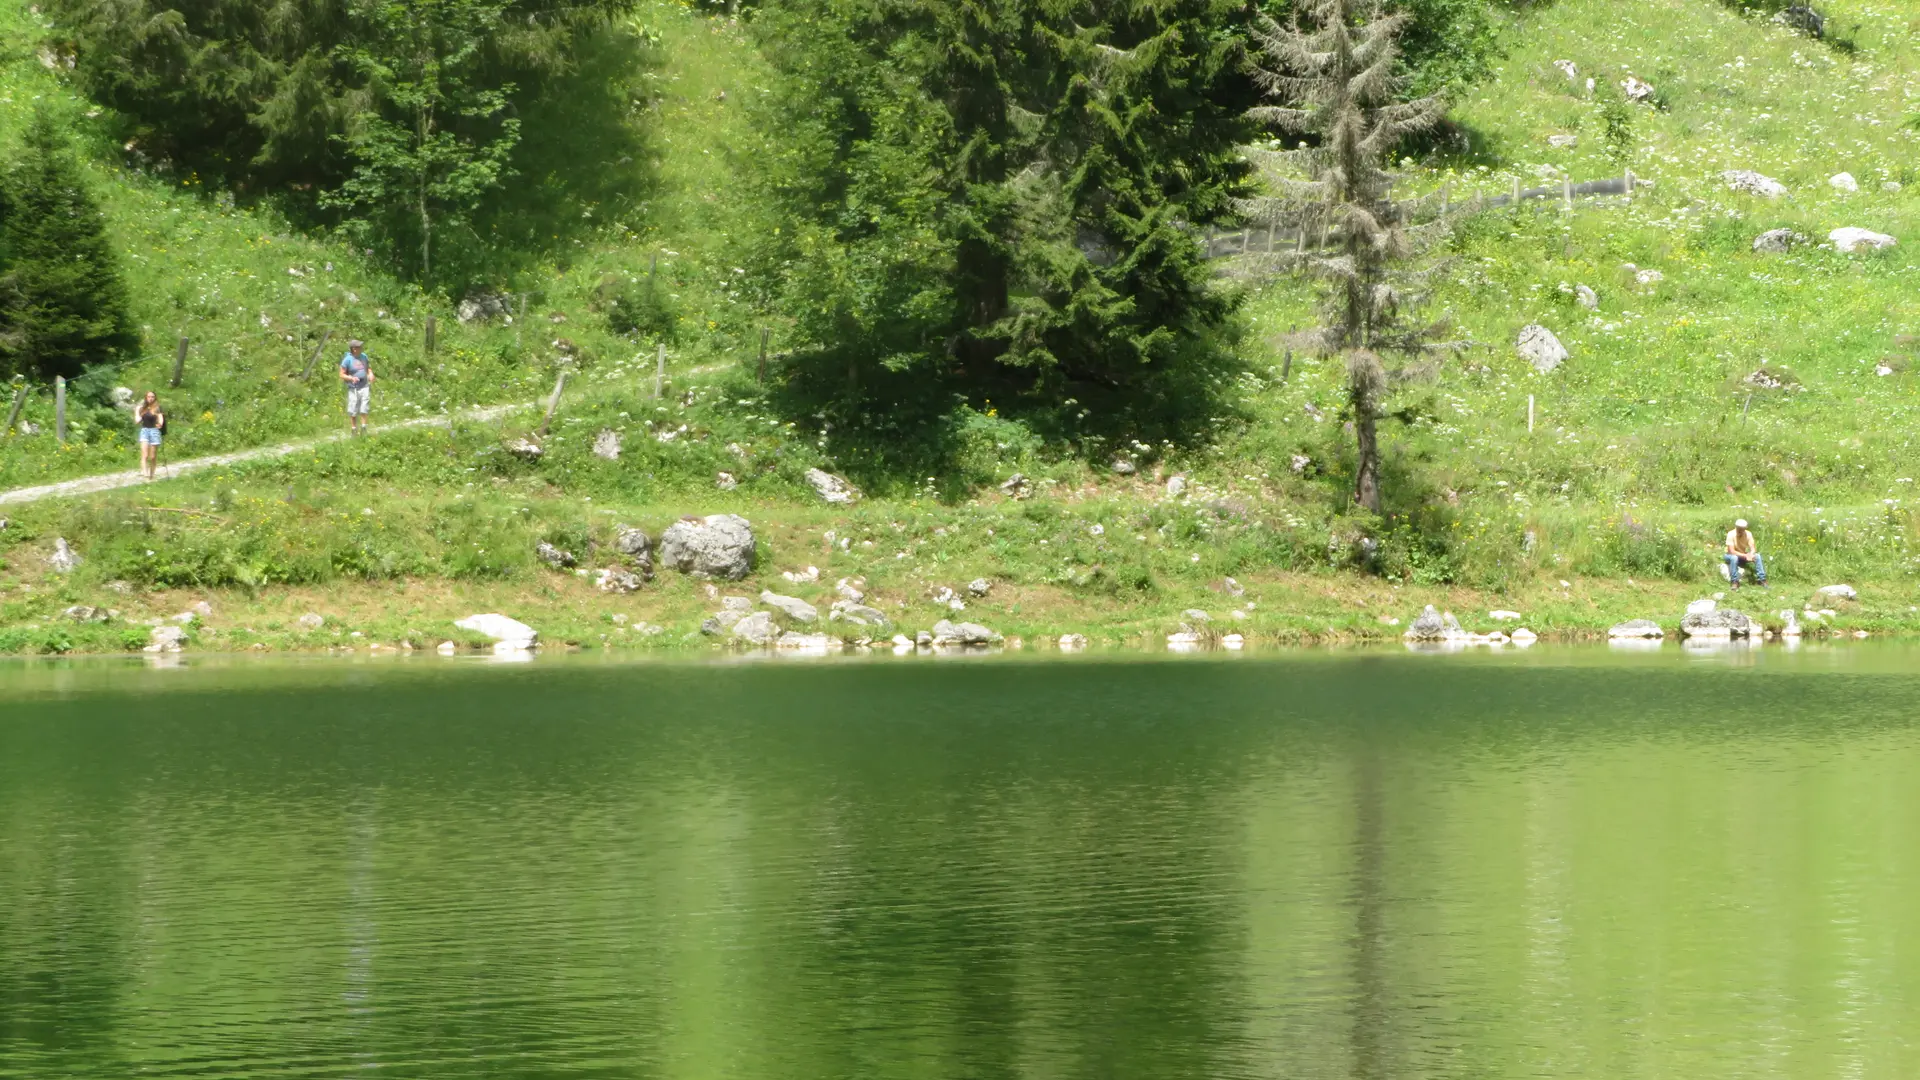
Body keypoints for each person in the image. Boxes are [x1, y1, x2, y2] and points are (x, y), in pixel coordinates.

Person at [339, 339, 375, 436]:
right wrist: (350, 378)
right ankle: (354, 429)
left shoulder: (364, 356)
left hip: (364, 385)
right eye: (359, 347)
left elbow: (368, 368)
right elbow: (341, 374)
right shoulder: (347, 360)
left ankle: (364, 427)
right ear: (354, 349)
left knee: (364, 406)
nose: (361, 348)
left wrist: (370, 374)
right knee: (353, 408)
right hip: (353, 388)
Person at [1724, 518, 1766, 589]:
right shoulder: (1731, 534)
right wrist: (1746, 555)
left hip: (1742, 554)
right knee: (1734, 558)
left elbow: (1753, 548)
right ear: (1736, 527)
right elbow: (1732, 551)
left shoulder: (1748, 534)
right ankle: (1734, 581)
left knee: (1757, 556)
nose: (1741, 530)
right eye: (1739, 528)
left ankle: (1762, 579)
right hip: (1730, 555)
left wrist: (1751, 554)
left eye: (1743, 529)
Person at [135, 390, 165, 481]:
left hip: (154, 431)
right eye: (149, 397)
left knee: (152, 456)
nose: (150, 398)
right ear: (146, 397)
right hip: (144, 431)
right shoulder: (142, 408)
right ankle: (145, 475)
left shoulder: (157, 408)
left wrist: (160, 424)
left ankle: (152, 475)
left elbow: (160, 418)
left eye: (152, 397)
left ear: (155, 398)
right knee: (145, 455)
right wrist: (138, 412)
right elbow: (137, 421)